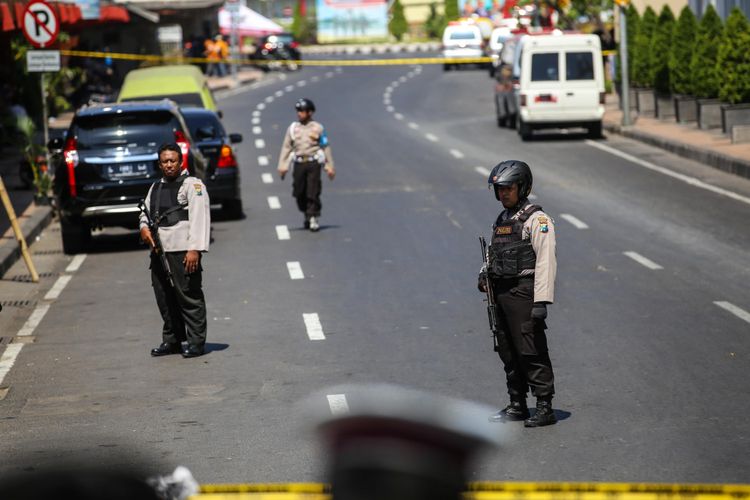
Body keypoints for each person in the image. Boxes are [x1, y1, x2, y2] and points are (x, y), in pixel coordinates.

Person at [478, 160, 557, 427]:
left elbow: (546, 261)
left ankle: (544, 406)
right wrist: (483, 273)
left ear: (522, 187)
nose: (503, 194)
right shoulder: (502, 220)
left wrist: (541, 301)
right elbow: (493, 252)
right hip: (500, 292)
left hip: (524, 293)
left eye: (507, 189)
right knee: (508, 351)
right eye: (499, 190)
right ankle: (517, 403)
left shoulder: (537, 220)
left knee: (530, 350)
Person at [140, 144, 210, 358]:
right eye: (165, 162)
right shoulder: (156, 187)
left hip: (183, 251)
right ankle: (172, 340)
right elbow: (146, 212)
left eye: (172, 161)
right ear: (159, 164)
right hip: (161, 252)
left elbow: (200, 219)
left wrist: (195, 250)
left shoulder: (193, 185)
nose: (169, 165)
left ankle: (196, 342)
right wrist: (143, 228)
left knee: (189, 296)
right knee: (165, 297)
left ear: (181, 162)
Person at [277, 98, 336, 232]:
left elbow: (325, 147)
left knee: (313, 191)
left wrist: (329, 166)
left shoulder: (318, 128)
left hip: (313, 162)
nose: (299, 113)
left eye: (302, 111)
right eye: (298, 111)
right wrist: (282, 166)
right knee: (299, 192)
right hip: (299, 163)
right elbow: (286, 147)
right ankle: (306, 213)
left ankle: (313, 217)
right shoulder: (293, 128)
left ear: (310, 112)